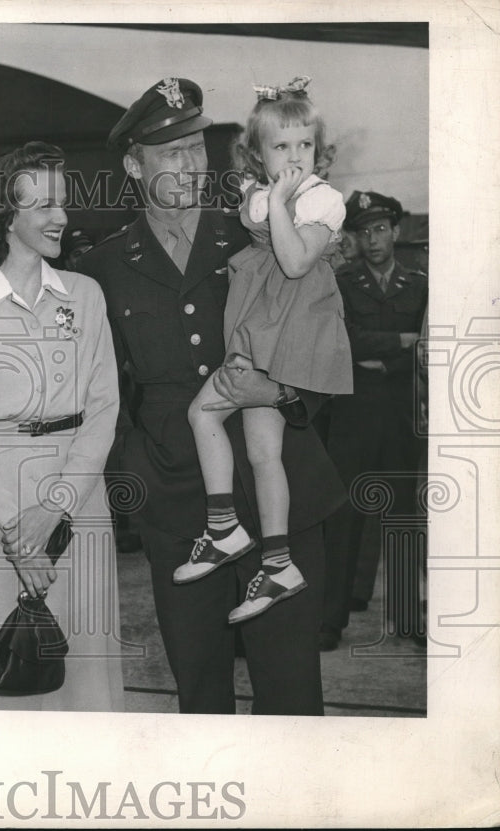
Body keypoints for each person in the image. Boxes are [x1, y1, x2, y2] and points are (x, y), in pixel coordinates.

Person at [78, 77, 344, 715]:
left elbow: (326, 342)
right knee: (200, 694)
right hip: (177, 506)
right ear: (133, 166)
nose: (188, 165)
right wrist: (133, 478)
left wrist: (277, 391)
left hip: (281, 495)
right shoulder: (105, 266)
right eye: (169, 152)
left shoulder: (258, 232)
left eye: (196, 148)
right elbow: (102, 392)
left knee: (291, 694)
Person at [0, 141, 124, 711]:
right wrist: (18, 533)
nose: (61, 217)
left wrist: (58, 505)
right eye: (43, 204)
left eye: (63, 203)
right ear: (6, 213)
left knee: (83, 681)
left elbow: (104, 409)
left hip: (78, 503)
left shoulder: (86, 296)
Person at [179, 77, 352, 624]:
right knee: (260, 450)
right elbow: (255, 218)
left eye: (304, 144)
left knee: (202, 411)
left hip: (294, 325)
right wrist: (271, 197)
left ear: (318, 147)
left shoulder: (323, 199)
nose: (295, 156)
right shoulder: (259, 195)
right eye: (281, 146)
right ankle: (277, 562)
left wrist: (279, 198)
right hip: (260, 323)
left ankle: (224, 526)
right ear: (257, 152)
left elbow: (297, 261)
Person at [319, 191, 428, 651]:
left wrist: (387, 353)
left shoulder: (419, 284)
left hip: (400, 417)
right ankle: (330, 620)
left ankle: (406, 616)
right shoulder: (341, 283)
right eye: (364, 231)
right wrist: (399, 342)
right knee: (344, 518)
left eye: (381, 228)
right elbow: (342, 340)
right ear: (355, 237)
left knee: (403, 514)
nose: (373, 238)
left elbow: (428, 346)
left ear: (396, 231)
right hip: (353, 417)